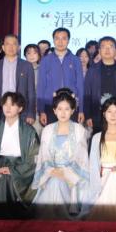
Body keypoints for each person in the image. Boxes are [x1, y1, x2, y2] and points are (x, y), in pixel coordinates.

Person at [32, 89, 90, 219]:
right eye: (59, 109)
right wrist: (52, 170)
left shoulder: (79, 130)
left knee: (57, 182)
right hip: (51, 172)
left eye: (67, 109)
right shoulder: (47, 130)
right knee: (54, 181)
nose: (63, 113)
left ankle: (62, 219)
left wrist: (65, 172)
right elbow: (44, 155)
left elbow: (81, 157)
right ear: (54, 110)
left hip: (73, 175)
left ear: (73, 110)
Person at [0, 92, 40, 204]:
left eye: (12, 105)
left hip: (20, 167)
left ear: (20, 108)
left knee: (5, 179)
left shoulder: (29, 131)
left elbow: (34, 158)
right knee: (1, 177)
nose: (8, 108)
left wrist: (14, 171)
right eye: (5, 104)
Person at [83, 37, 116, 133]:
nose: (107, 50)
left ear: (115, 50)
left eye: (110, 47)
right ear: (99, 51)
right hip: (97, 116)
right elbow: (87, 95)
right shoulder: (92, 70)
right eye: (103, 47)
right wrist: (88, 115)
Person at [0, 34, 36, 131]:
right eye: (8, 44)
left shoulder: (27, 66)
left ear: (19, 47)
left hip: (20, 109)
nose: (11, 47)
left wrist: (31, 113)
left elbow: (31, 91)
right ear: (3, 47)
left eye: (14, 44)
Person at [37, 27, 85, 126]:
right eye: (57, 38)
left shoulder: (75, 60)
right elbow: (41, 86)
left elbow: (80, 85)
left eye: (64, 38)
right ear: (53, 40)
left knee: (72, 134)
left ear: (68, 40)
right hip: (50, 106)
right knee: (51, 134)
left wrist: (81, 109)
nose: (60, 41)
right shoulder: (46, 60)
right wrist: (41, 110)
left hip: (71, 106)